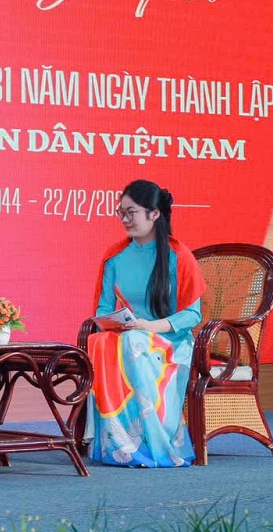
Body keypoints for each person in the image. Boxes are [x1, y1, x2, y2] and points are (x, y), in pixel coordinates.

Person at [85, 179, 206, 467]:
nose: (125, 219)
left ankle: (153, 442)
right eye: (122, 213)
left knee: (132, 342)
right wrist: (114, 323)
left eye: (132, 212)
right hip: (131, 336)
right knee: (99, 341)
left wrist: (149, 327)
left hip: (170, 341)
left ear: (154, 214)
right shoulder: (115, 257)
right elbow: (103, 308)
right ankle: (118, 442)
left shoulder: (178, 256)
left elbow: (192, 315)